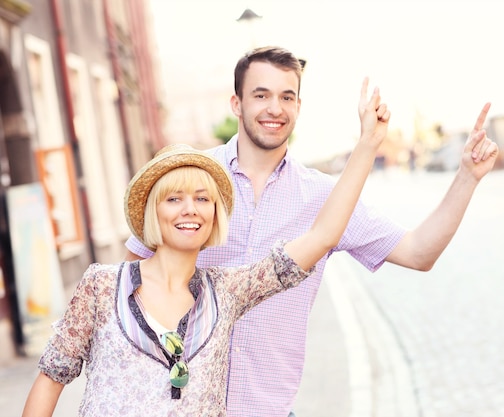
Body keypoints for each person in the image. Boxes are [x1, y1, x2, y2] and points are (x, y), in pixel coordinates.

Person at [125, 46, 499, 417]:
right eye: (261, 95)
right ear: (236, 104)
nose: (275, 108)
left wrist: (466, 177)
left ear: (298, 108)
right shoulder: (191, 178)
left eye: (287, 97)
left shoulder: (326, 199)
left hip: (267, 409)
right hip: (177, 407)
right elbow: (130, 282)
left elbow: (419, 252)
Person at [21, 79, 390, 417]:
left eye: (202, 199)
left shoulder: (227, 292)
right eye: (173, 199)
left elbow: (322, 236)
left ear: (214, 216)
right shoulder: (101, 287)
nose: (190, 210)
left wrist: (367, 145)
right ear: (153, 211)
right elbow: (50, 380)